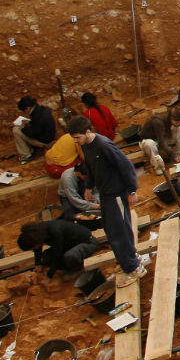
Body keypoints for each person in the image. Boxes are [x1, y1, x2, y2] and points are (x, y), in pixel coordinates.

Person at [70, 115, 146, 287]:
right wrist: (89, 187)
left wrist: (132, 189)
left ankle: (135, 268)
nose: (76, 141)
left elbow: (125, 165)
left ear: (87, 132)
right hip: (105, 194)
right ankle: (129, 260)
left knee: (120, 231)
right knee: (112, 230)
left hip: (116, 194)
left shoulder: (104, 145)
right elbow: (90, 168)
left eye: (77, 137)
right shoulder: (87, 146)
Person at [18, 219, 99, 278]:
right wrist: (37, 263)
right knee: (46, 258)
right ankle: (68, 266)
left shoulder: (54, 232)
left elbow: (57, 254)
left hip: (87, 242)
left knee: (69, 256)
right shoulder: (38, 232)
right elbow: (37, 248)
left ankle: (77, 269)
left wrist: (49, 275)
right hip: (69, 244)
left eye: (32, 248)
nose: (33, 250)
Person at [140, 107, 180, 176]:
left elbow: (176, 129)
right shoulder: (158, 122)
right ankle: (158, 167)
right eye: (177, 122)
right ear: (171, 118)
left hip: (162, 136)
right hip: (150, 140)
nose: (178, 124)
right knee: (149, 144)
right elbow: (162, 142)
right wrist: (172, 154)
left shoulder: (168, 120)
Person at [14, 95, 56, 163]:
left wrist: (23, 129)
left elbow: (33, 133)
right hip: (50, 137)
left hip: (44, 141)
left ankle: (26, 155)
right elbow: (40, 124)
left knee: (15, 130)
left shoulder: (36, 116)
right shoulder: (42, 109)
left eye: (24, 110)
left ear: (27, 108)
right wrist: (30, 122)